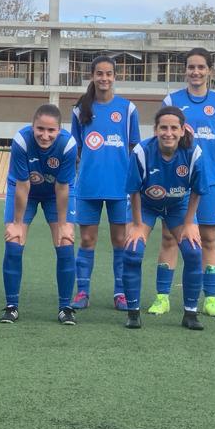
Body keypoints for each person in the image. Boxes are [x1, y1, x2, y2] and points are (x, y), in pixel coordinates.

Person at [148, 47, 215, 318]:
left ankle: (211, 298)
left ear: (210, 71)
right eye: (191, 67)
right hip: (175, 182)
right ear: (184, 70)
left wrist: (206, 169)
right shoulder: (171, 100)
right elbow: (163, 138)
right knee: (169, 237)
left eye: (201, 67)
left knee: (208, 239)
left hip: (207, 183)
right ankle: (162, 297)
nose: (195, 72)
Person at [121, 107, 207, 331]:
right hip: (145, 206)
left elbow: (197, 191)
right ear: (155, 130)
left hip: (178, 206)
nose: (168, 133)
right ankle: (133, 312)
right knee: (132, 250)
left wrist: (189, 223)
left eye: (173, 128)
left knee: (193, 250)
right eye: (163, 128)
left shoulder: (193, 153)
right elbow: (134, 190)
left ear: (181, 130)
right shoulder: (142, 151)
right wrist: (138, 225)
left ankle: (190, 313)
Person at [69, 55, 140, 311]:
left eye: (109, 74)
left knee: (120, 241)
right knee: (87, 240)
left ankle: (120, 293)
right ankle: (82, 292)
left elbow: (134, 150)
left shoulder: (128, 109)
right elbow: (75, 149)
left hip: (120, 188)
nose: (104, 78)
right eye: (99, 73)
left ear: (115, 76)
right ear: (92, 76)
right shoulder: (79, 110)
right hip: (88, 186)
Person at [0, 104, 78, 325]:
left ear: (59, 130)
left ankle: (65, 307)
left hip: (56, 194)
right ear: (32, 126)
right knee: (14, 242)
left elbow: (63, 188)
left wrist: (64, 224)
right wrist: (16, 223)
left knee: (65, 242)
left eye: (51, 130)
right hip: (26, 192)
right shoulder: (22, 141)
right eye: (40, 129)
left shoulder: (68, 145)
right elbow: (22, 186)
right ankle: (11, 306)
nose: (45, 135)